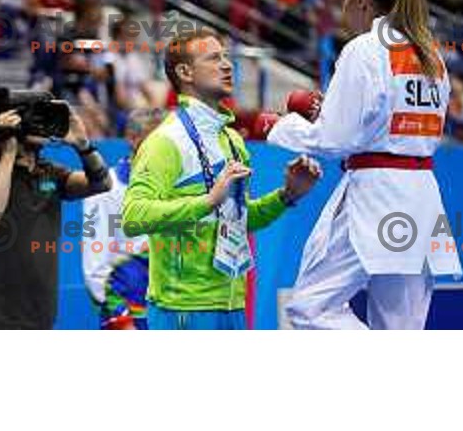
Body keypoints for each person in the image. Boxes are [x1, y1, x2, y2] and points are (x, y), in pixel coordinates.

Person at [268, 0, 463, 330]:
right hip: (421, 194)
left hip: (377, 193)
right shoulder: (430, 53)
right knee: (402, 327)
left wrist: (279, 127)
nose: (342, 9)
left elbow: (334, 138)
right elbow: (392, 124)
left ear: (361, 1)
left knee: (309, 307)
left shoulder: (364, 49)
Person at [122, 25, 321, 330]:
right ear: (185, 72)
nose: (227, 65)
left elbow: (239, 220)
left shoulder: (232, 140)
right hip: (182, 310)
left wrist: (287, 196)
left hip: (232, 305)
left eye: (226, 57)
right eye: (214, 59)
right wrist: (207, 200)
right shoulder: (165, 141)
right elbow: (134, 216)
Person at [0, 99, 112, 329]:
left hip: (43, 315)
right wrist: (8, 152)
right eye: (34, 117)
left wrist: (83, 145)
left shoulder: (50, 172)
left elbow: (102, 183)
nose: (42, 124)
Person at [82, 109, 165, 329]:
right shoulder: (104, 188)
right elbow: (95, 268)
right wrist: (122, 322)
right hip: (129, 316)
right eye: (157, 139)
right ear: (132, 139)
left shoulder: (173, 186)